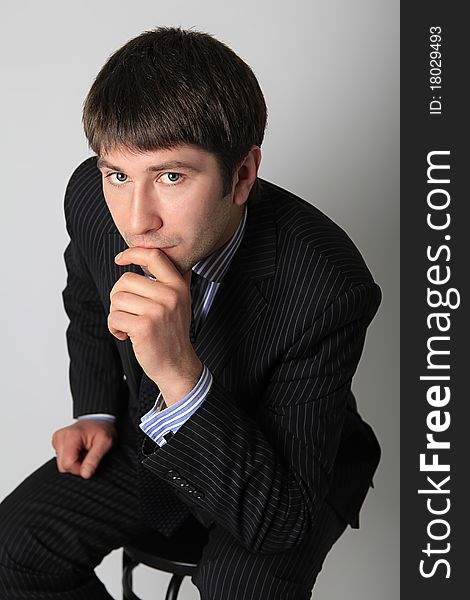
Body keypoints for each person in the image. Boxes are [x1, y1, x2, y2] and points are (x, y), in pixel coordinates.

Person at [0, 26, 382, 600]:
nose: (136, 219)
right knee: (13, 550)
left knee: (239, 588)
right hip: (146, 435)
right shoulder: (91, 200)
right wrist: (98, 413)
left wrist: (179, 372)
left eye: (171, 176)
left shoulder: (329, 284)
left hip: (277, 464)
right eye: (119, 175)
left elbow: (278, 524)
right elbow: (86, 301)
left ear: (243, 175)